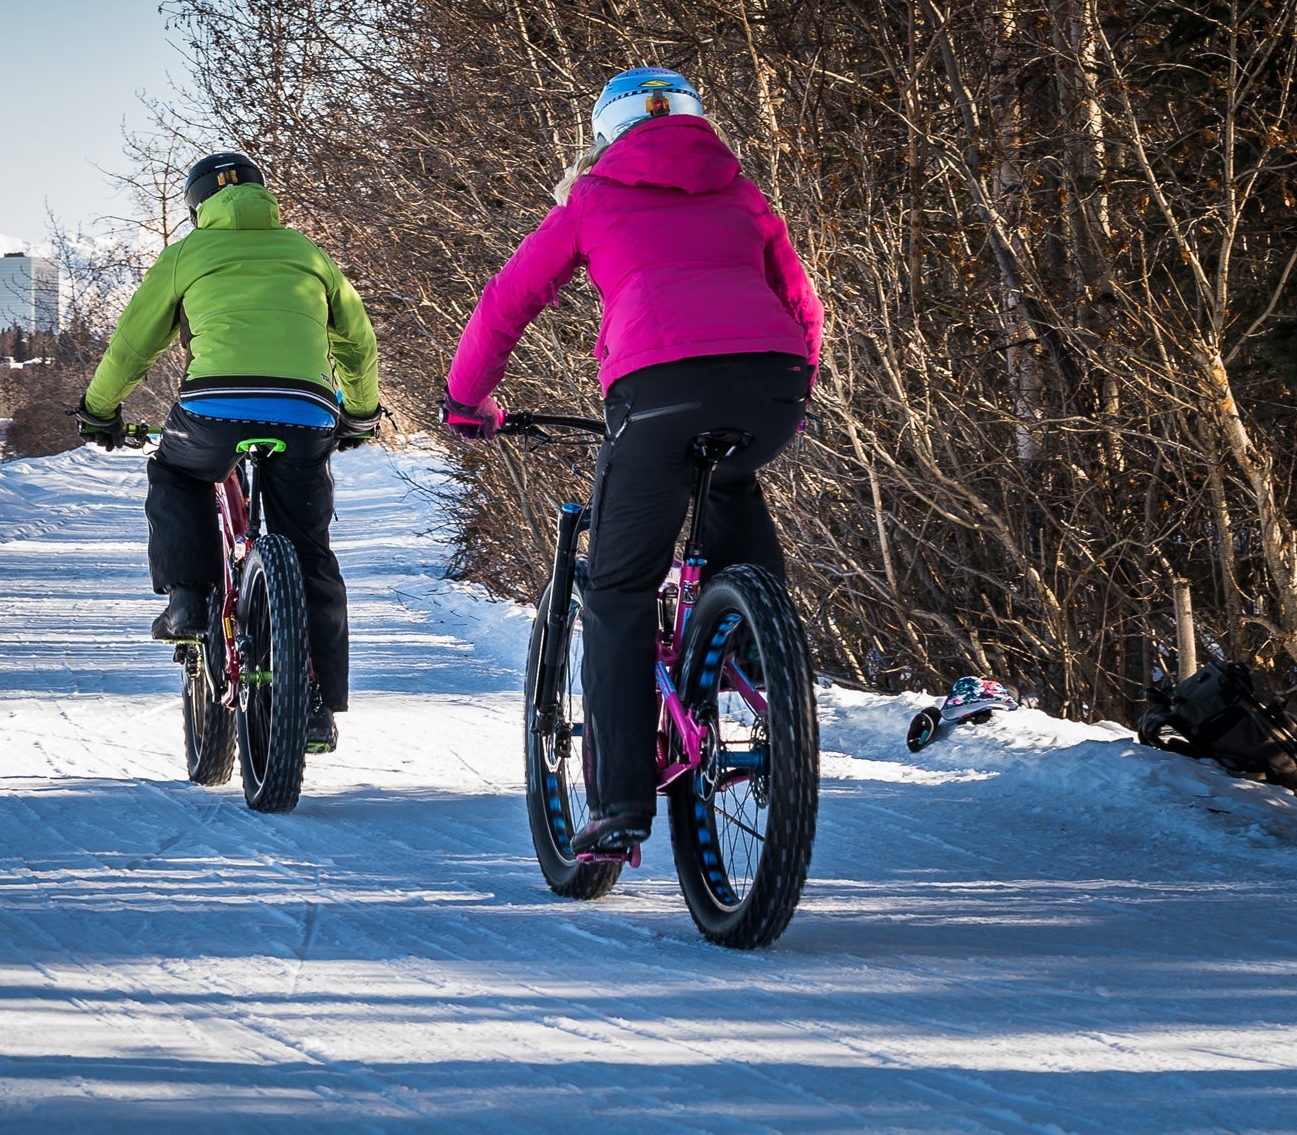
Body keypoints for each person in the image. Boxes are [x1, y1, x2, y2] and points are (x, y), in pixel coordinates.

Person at [442, 68, 824, 857]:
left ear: (605, 137)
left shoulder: (592, 196)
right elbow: (801, 302)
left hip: (657, 393)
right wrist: (790, 386)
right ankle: (758, 650)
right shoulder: (742, 193)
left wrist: (465, 398)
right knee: (730, 475)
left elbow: (507, 301)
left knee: (617, 588)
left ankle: (617, 804)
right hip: (772, 384)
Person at [76, 150, 382, 751]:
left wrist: (99, 409)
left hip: (214, 408)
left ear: (197, 209)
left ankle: (188, 601)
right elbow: (357, 341)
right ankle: (316, 705)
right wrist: (361, 411)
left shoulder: (186, 254)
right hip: (306, 410)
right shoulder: (308, 254)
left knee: (178, 472)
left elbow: (132, 346)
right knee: (310, 552)